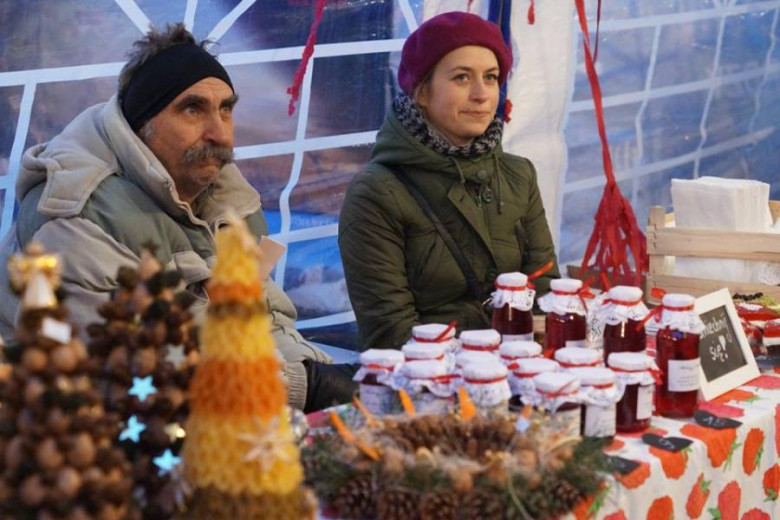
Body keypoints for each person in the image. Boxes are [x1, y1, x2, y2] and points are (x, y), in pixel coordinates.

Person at [0, 24, 355, 412]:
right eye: (192, 109)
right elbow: (124, 371)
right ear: (142, 124)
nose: (219, 133)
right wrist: (306, 387)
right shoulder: (75, 214)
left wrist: (323, 374)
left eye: (226, 109)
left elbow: (263, 321)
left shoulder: (222, 197)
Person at [339, 12, 560, 351]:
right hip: (425, 385)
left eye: (491, 77)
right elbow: (390, 333)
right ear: (422, 92)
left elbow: (544, 288)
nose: (482, 94)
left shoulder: (518, 175)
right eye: (461, 78)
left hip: (519, 372)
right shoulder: (378, 192)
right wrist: (490, 348)